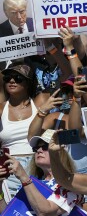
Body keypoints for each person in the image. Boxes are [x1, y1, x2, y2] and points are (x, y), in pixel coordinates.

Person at [0, 129, 85, 214]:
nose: (39, 150)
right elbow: (10, 212)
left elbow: (45, 212)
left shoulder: (72, 183)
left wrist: (24, 177)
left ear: (61, 152)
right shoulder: (31, 183)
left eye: (45, 147)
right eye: (36, 148)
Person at [0, 63, 44, 197]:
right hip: (9, 169)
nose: (12, 81)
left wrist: (54, 48)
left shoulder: (39, 102)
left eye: (18, 78)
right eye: (7, 78)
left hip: (36, 166)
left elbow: (66, 76)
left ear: (28, 83)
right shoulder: (1, 109)